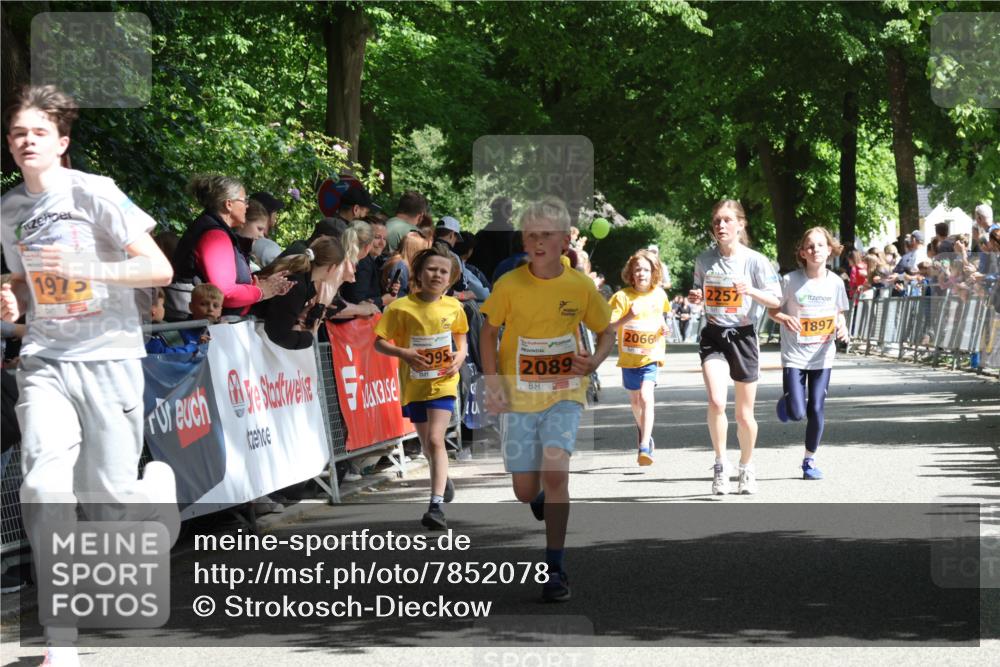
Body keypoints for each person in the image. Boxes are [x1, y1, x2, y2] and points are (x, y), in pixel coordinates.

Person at [1, 85, 178, 667]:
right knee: (43, 487)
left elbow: (159, 267)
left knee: (112, 502)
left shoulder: (96, 192)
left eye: (39, 133)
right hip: (46, 360)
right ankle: (61, 638)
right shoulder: (8, 211)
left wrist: (85, 266)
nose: (27, 141)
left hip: (109, 357)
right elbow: (23, 283)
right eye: (18, 133)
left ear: (62, 142)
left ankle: (155, 492)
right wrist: (11, 300)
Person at [480, 196, 615, 602]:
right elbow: (488, 332)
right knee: (525, 490)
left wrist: (593, 362)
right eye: (530, 235)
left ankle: (554, 567)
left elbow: (606, 330)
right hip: (519, 397)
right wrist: (491, 382)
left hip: (564, 394)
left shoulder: (578, 286)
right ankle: (537, 498)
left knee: (556, 474)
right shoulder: (508, 285)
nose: (537, 242)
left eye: (546, 235)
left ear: (564, 240)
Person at [687, 199, 781, 495]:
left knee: (743, 415)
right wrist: (696, 299)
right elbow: (701, 294)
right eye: (716, 221)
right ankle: (719, 463)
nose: (721, 226)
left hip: (743, 336)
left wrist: (750, 289)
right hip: (714, 334)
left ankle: (747, 465)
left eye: (727, 220)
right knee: (716, 401)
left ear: (741, 224)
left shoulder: (755, 260)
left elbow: (776, 299)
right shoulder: (704, 260)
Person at [374, 245, 468, 530]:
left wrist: (460, 356)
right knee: (428, 445)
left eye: (443, 271)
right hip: (414, 385)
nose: (437, 275)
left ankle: (435, 506)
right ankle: (442, 476)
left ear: (450, 278)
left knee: (437, 440)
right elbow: (379, 341)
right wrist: (404, 354)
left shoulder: (454, 306)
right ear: (418, 273)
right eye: (431, 269)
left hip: (444, 382)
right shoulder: (400, 307)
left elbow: (461, 337)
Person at [768, 228, 850, 481]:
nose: (815, 250)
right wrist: (784, 318)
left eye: (820, 245)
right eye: (810, 246)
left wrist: (843, 328)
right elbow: (772, 310)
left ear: (829, 250)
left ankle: (809, 460)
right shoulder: (790, 280)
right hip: (795, 354)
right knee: (797, 413)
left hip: (822, 355)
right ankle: (789, 402)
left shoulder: (835, 282)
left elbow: (840, 313)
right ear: (802, 253)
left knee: (816, 407)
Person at [168, 174, 291, 320]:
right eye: (244, 200)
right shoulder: (215, 235)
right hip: (194, 326)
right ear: (229, 204)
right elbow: (224, 292)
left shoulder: (214, 228)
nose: (247, 205)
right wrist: (261, 291)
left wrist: (262, 282)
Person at [608, 250, 670, 465]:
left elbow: (660, 317)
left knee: (645, 397)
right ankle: (645, 431)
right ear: (631, 274)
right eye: (637, 270)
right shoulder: (622, 297)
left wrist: (664, 327)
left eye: (646, 269)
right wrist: (629, 316)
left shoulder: (659, 295)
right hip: (629, 359)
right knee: (635, 402)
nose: (642, 274)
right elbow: (610, 327)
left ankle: (644, 446)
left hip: (651, 356)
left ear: (653, 273)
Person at [253, 237, 351, 349]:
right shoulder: (298, 284)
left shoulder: (299, 273)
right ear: (332, 268)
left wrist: (297, 315)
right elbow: (279, 334)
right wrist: (309, 336)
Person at [249, 191, 285, 267]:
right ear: (269, 214)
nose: (276, 215)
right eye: (275, 211)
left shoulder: (236, 240)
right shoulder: (269, 247)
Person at [235, 199, 270, 272]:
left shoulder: (247, 253)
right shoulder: (228, 247)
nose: (261, 236)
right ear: (244, 221)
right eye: (259, 229)